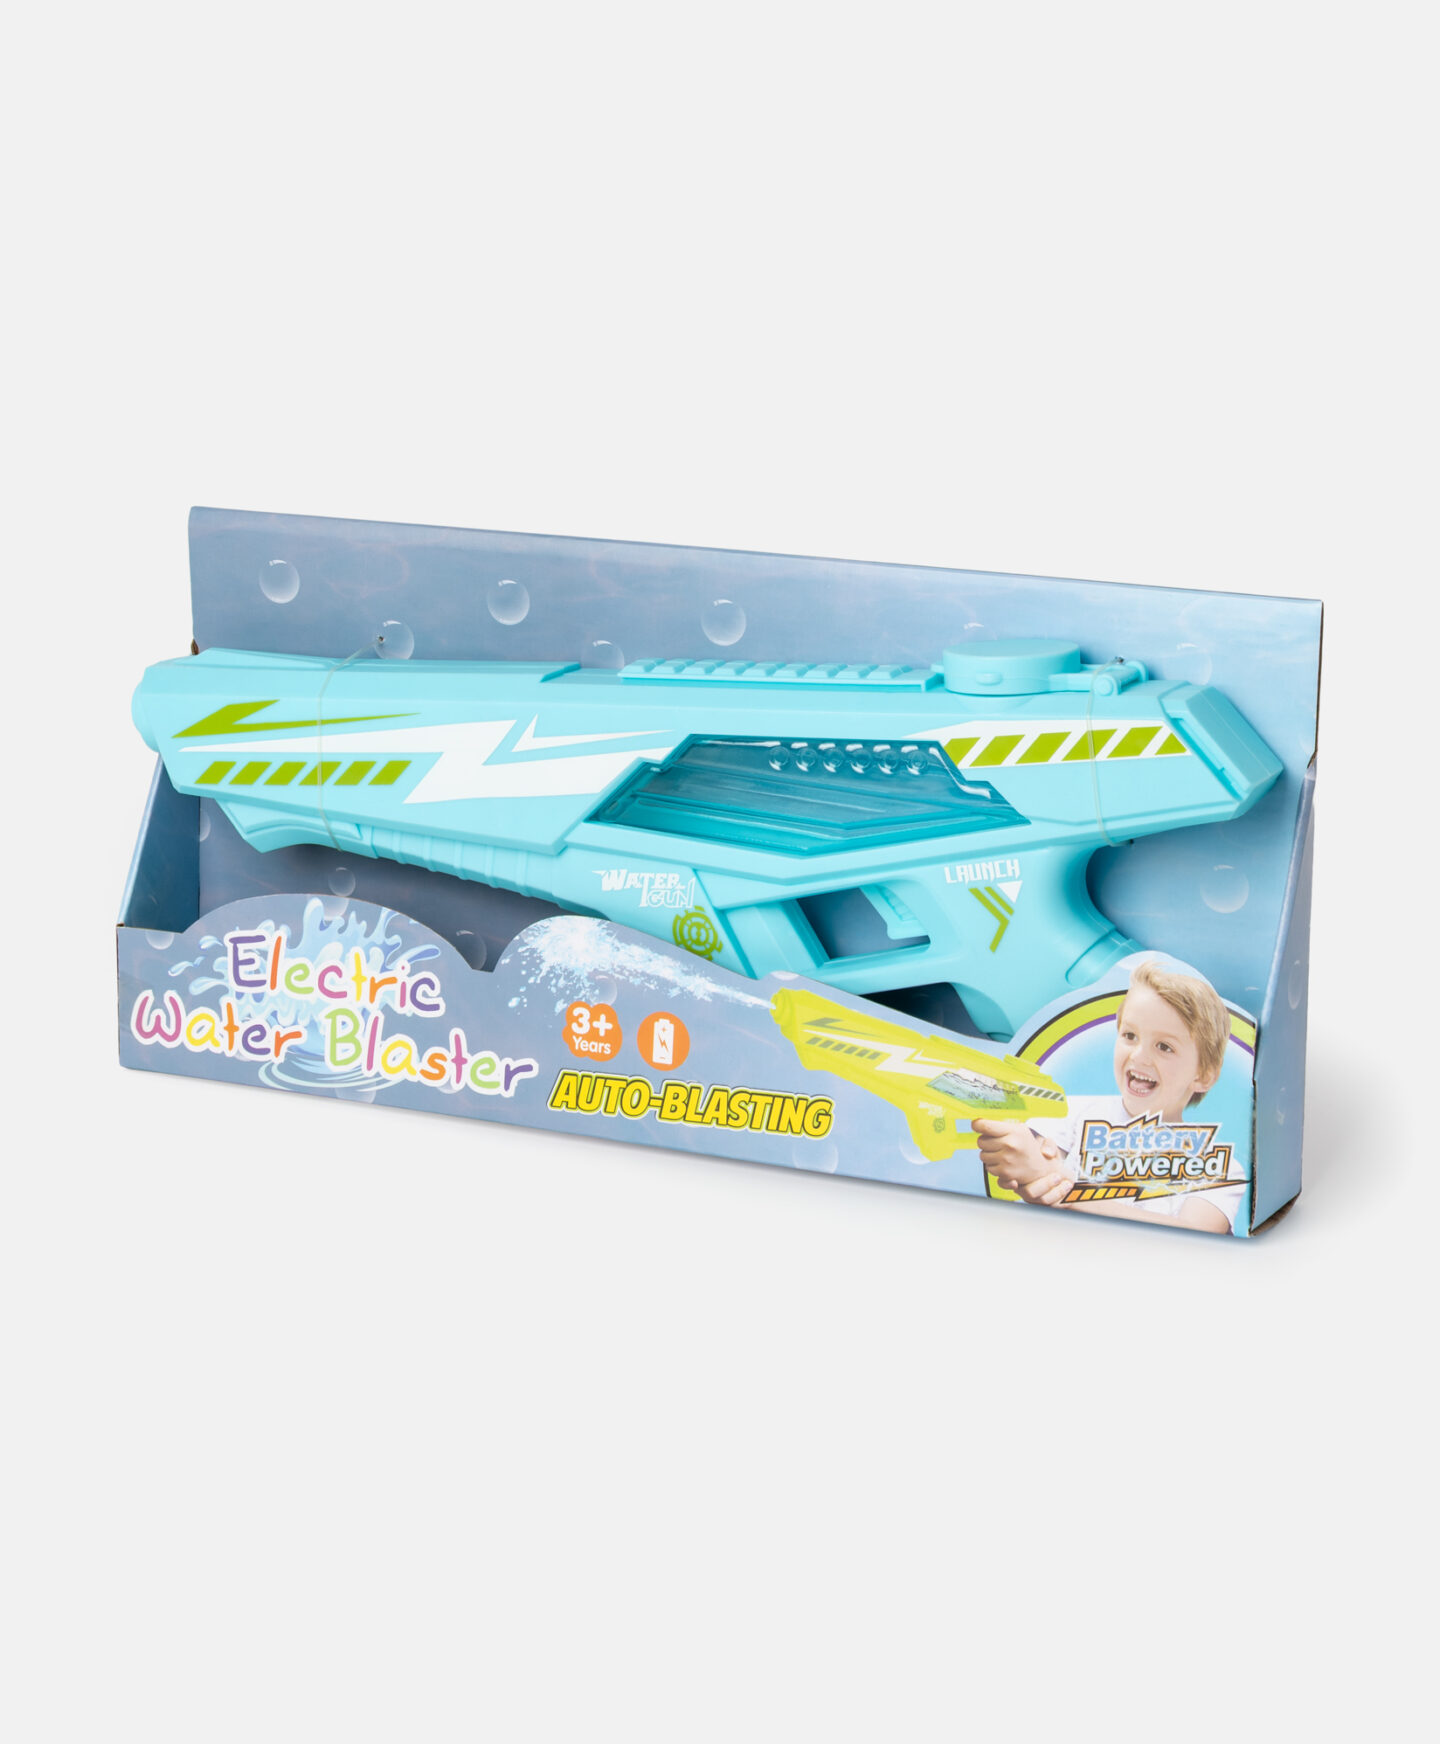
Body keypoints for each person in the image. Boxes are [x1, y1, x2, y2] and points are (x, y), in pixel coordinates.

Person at [974, 959, 1243, 1233]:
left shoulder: (1218, 1164)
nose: (1138, 1056)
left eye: (1164, 1047)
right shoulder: (1070, 1112)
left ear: (1203, 1076)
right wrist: (1024, 1158)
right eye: (1130, 1035)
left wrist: (1068, 1193)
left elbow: (1196, 1233)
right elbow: (1039, 1167)